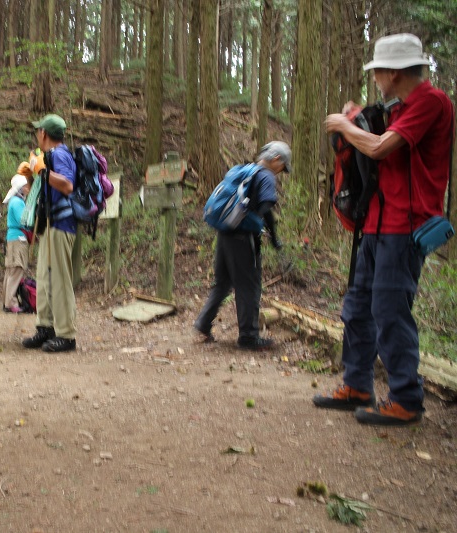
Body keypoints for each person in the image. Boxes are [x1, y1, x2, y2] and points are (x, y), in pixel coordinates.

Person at [314, 34, 454, 426]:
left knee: (390, 311)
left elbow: (379, 147)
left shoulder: (431, 101)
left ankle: (406, 399)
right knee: (358, 307)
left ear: (393, 72)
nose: (375, 78)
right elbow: (373, 125)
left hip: (404, 228)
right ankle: (357, 384)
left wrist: (344, 124)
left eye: (377, 72)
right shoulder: (399, 106)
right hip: (375, 224)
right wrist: (355, 114)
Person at [193, 141, 291, 351]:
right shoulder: (265, 176)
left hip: (225, 233)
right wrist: (273, 237)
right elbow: (266, 208)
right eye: (283, 167)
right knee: (249, 284)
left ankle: (203, 323)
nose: (282, 172)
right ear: (276, 160)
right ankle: (248, 336)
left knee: (222, 282)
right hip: (243, 237)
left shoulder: (245, 170)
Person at [22, 114, 78, 353]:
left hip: (61, 224)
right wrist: (30, 175)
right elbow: (40, 190)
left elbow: (67, 185)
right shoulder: (50, 157)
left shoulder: (60, 155)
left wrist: (42, 171)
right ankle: (45, 326)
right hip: (49, 225)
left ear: (44, 134)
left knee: (60, 280)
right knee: (44, 278)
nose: (37, 135)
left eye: (38, 131)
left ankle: (66, 334)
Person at [2, 173, 31, 313]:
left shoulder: (14, 201)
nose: (27, 188)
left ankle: (7, 301)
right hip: (18, 238)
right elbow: (24, 220)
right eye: (25, 186)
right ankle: (11, 302)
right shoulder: (18, 202)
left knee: (10, 270)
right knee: (16, 269)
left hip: (12, 238)